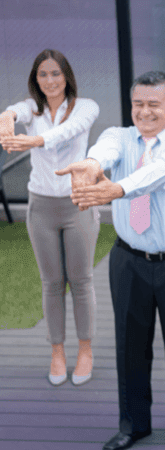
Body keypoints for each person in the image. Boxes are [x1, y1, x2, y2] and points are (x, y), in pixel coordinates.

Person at [56, 71, 165, 450]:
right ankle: (133, 424)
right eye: (138, 104)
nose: (144, 111)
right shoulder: (119, 137)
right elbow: (103, 152)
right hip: (128, 261)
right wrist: (92, 165)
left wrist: (119, 188)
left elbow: (162, 172)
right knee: (130, 345)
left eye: (154, 104)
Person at [0, 49, 100, 387]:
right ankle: (57, 351)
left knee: (81, 281)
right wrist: (7, 117)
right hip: (41, 207)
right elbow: (15, 109)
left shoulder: (86, 106)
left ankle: (85, 349)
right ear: (36, 79)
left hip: (77, 204)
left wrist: (36, 140)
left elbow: (70, 131)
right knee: (51, 283)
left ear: (66, 76)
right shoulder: (32, 108)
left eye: (56, 73)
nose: (50, 81)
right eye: (43, 75)